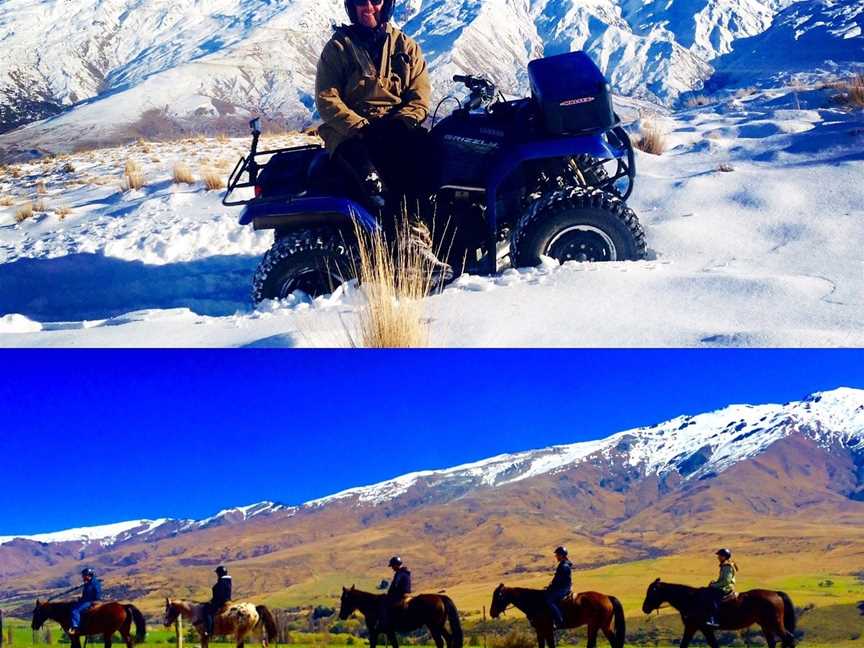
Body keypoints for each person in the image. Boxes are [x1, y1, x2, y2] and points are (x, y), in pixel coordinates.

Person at [315, 0, 452, 280]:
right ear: (350, 7)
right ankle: (381, 252)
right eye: (360, 2)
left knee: (427, 162)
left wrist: (402, 123)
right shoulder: (338, 48)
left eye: (375, 1)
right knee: (371, 180)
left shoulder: (406, 47)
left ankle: (414, 243)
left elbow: (419, 97)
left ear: (386, 4)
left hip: (395, 128)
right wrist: (360, 127)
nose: (368, 8)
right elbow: (327, 99)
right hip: (350, 133)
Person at [701, 548, 738, 629]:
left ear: (725, 557)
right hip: (722, 586)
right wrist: (715, 582)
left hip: (726, 588)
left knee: (712, 599)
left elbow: (726, 581)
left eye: (720, 556)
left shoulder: (727, 567)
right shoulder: (725, 565)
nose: (718, 557)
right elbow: (722, 580)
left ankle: (714, 620)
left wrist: (714, 585)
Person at [379, 556, 411, 630]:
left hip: (400, 596)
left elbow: (395, 586)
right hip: (406, 594)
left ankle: (390, 623)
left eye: (392, 566)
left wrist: (389, 594)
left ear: (396, 565)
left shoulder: (399, 573)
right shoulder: (406, 572)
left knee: (386, 606)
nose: (392, 568)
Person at [545, 547, 572, 629]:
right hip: (563, 586)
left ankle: (559, 621)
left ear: (561, 555)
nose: (556, 556)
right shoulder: (564, 564)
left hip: (563, 588)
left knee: (549, 600)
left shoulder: (564, 566)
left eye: (557, 555)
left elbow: (558, 580)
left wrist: (551, 587)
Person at [69, 568, 102, 635]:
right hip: (85, 600)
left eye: (83, 575)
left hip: (89, 601)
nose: (82, 577)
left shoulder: (94, 583)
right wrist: (80, 599)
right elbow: (85, 595)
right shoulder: (88, 583)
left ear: (88, 575)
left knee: (75, 610)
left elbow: (97, 592)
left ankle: (75, 627)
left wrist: (95, 600)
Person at [204, 566, 233, 637]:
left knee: (207, 611)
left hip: (222, 603)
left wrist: (212, 602)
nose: (217, 575)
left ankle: (209, 631)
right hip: (227, 601)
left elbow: (219, 595)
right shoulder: (227, 581)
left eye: (217, 573)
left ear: (220, 574)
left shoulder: (221, 582)